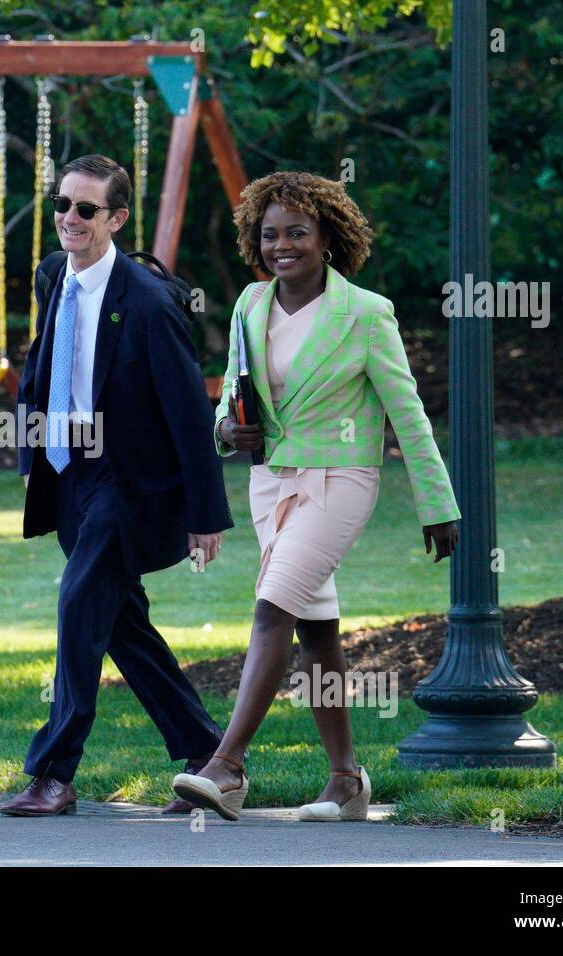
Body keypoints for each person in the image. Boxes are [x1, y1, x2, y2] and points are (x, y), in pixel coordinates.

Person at [172, 171, 460, 822]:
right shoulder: (250, 303)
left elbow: (406, 412)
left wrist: (436, 501)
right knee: (317, 631)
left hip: (340, 482)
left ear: (327, 237)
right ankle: (345, 780)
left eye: (297, 232)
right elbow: (231, 401)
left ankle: (226, 765)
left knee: (272, 609)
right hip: (269, 482)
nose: (283, 246)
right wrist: (226, 429)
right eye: (270, 234)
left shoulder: (366, 313)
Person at [1, 154, 233, 817]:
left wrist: (204, 512)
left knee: (78, 607)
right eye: (60, 205)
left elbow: (189, 413)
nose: (68, 219)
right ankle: (207, 753)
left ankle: (53, 772)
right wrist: (34, 456)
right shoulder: (53, 276)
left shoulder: (152, 303)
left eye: (85, 209)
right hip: (70, 473)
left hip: (128, 482)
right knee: (122, 625)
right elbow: (46, 366)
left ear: (117, 219)